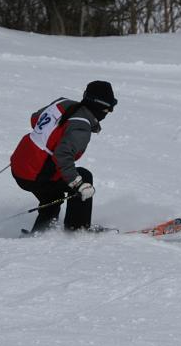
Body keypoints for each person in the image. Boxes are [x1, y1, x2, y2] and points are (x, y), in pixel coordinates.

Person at [10, 81, 117, 233]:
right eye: (108, 109)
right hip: (35, 173)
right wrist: (78, 184)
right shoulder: (81, 127)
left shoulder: (63, 103)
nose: (108, 113)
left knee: (52, 198)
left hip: (20, 164)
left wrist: (52, 136)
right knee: (84, 177)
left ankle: (40, 234)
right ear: (99, 106)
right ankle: (78, 230)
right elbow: (63, 155)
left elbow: (35, 119)